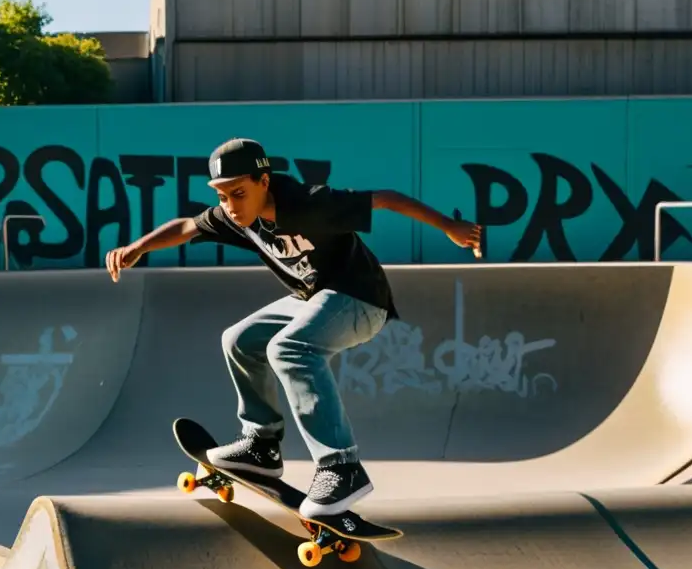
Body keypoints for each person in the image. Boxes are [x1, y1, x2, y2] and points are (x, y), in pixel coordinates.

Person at [105, 138, 481, 517]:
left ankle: (341, 467)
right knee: (239, 341)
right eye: (222, 197)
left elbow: (385, 199)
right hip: (313, 298)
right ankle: (261, 445)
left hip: (361, 299)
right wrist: (138, 248)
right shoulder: (232, 215)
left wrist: (449, 226)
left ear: (264, 181)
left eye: (238, 193)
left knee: (288, 348)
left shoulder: (308, 204)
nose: (231, 208)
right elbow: (188, 225)